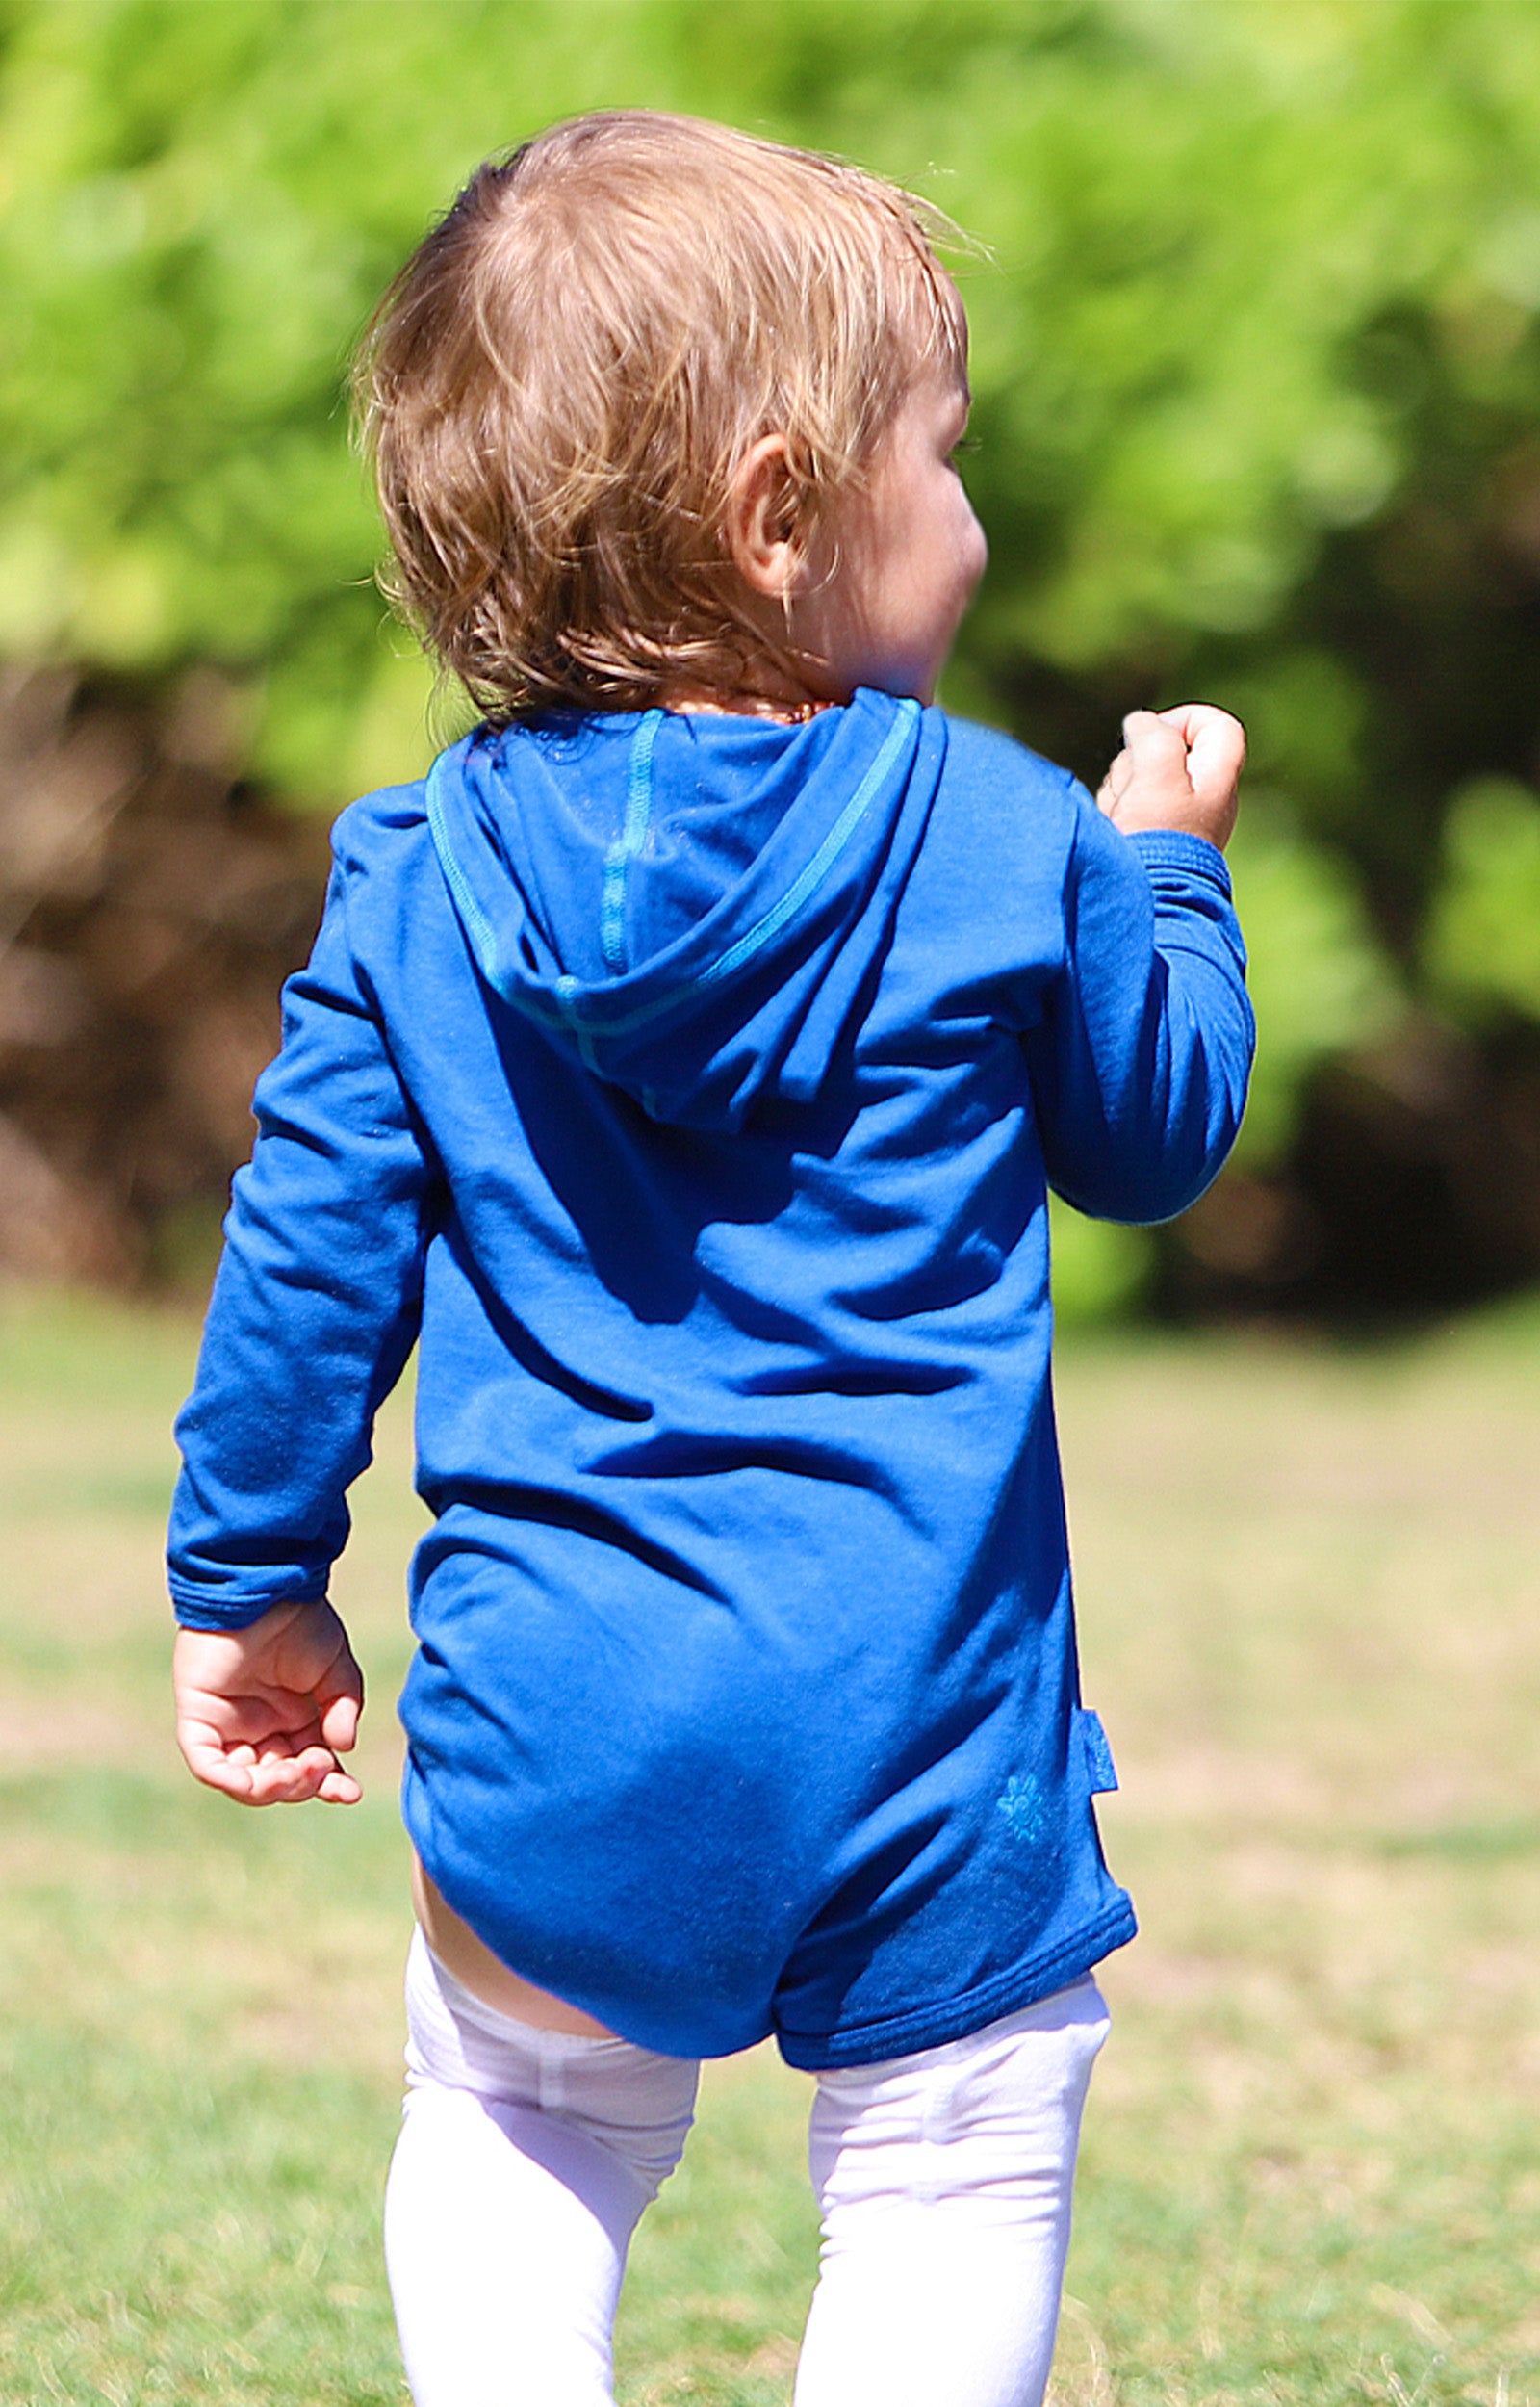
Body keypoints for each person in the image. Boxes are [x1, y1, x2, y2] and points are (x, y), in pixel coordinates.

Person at [167, 110, 1252, 2407]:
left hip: (555, 1710)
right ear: (782, 514)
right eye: (941, 460)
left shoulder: (410, 874)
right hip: (920, 1718)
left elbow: (303, 1266)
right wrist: (1160, 868)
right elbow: (1149, 1142)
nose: (971, 515)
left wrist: (251, 1579)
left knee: (520, 2121)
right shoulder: (1002, 829)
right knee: (951, 2166)